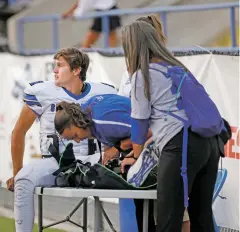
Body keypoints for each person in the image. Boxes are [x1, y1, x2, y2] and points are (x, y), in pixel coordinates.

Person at [121, 21, 221, 232]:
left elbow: (139, 122)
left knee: (168, 219)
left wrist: (136, 156)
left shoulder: (142, 75)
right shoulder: (176, 66)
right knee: (201, 218)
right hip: (210, 144)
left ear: (132, 45)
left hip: (180, 144)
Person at [6, 47, 116, 232]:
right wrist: (17, 171)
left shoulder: (103, 92)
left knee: (132, 178)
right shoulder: (42, 92)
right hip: (55, 163)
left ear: (76, 70)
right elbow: (18, 132)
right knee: (23, 180)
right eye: (55, 65)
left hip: (93, 160)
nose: (54, 70)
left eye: (60, 66)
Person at [118, 15, 190, 232]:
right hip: (165, 148)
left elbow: (142, 121)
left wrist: (137, 154)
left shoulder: (149, 73)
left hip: (168, 148)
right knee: (159, 214)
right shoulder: (147, 70)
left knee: (173, 214)